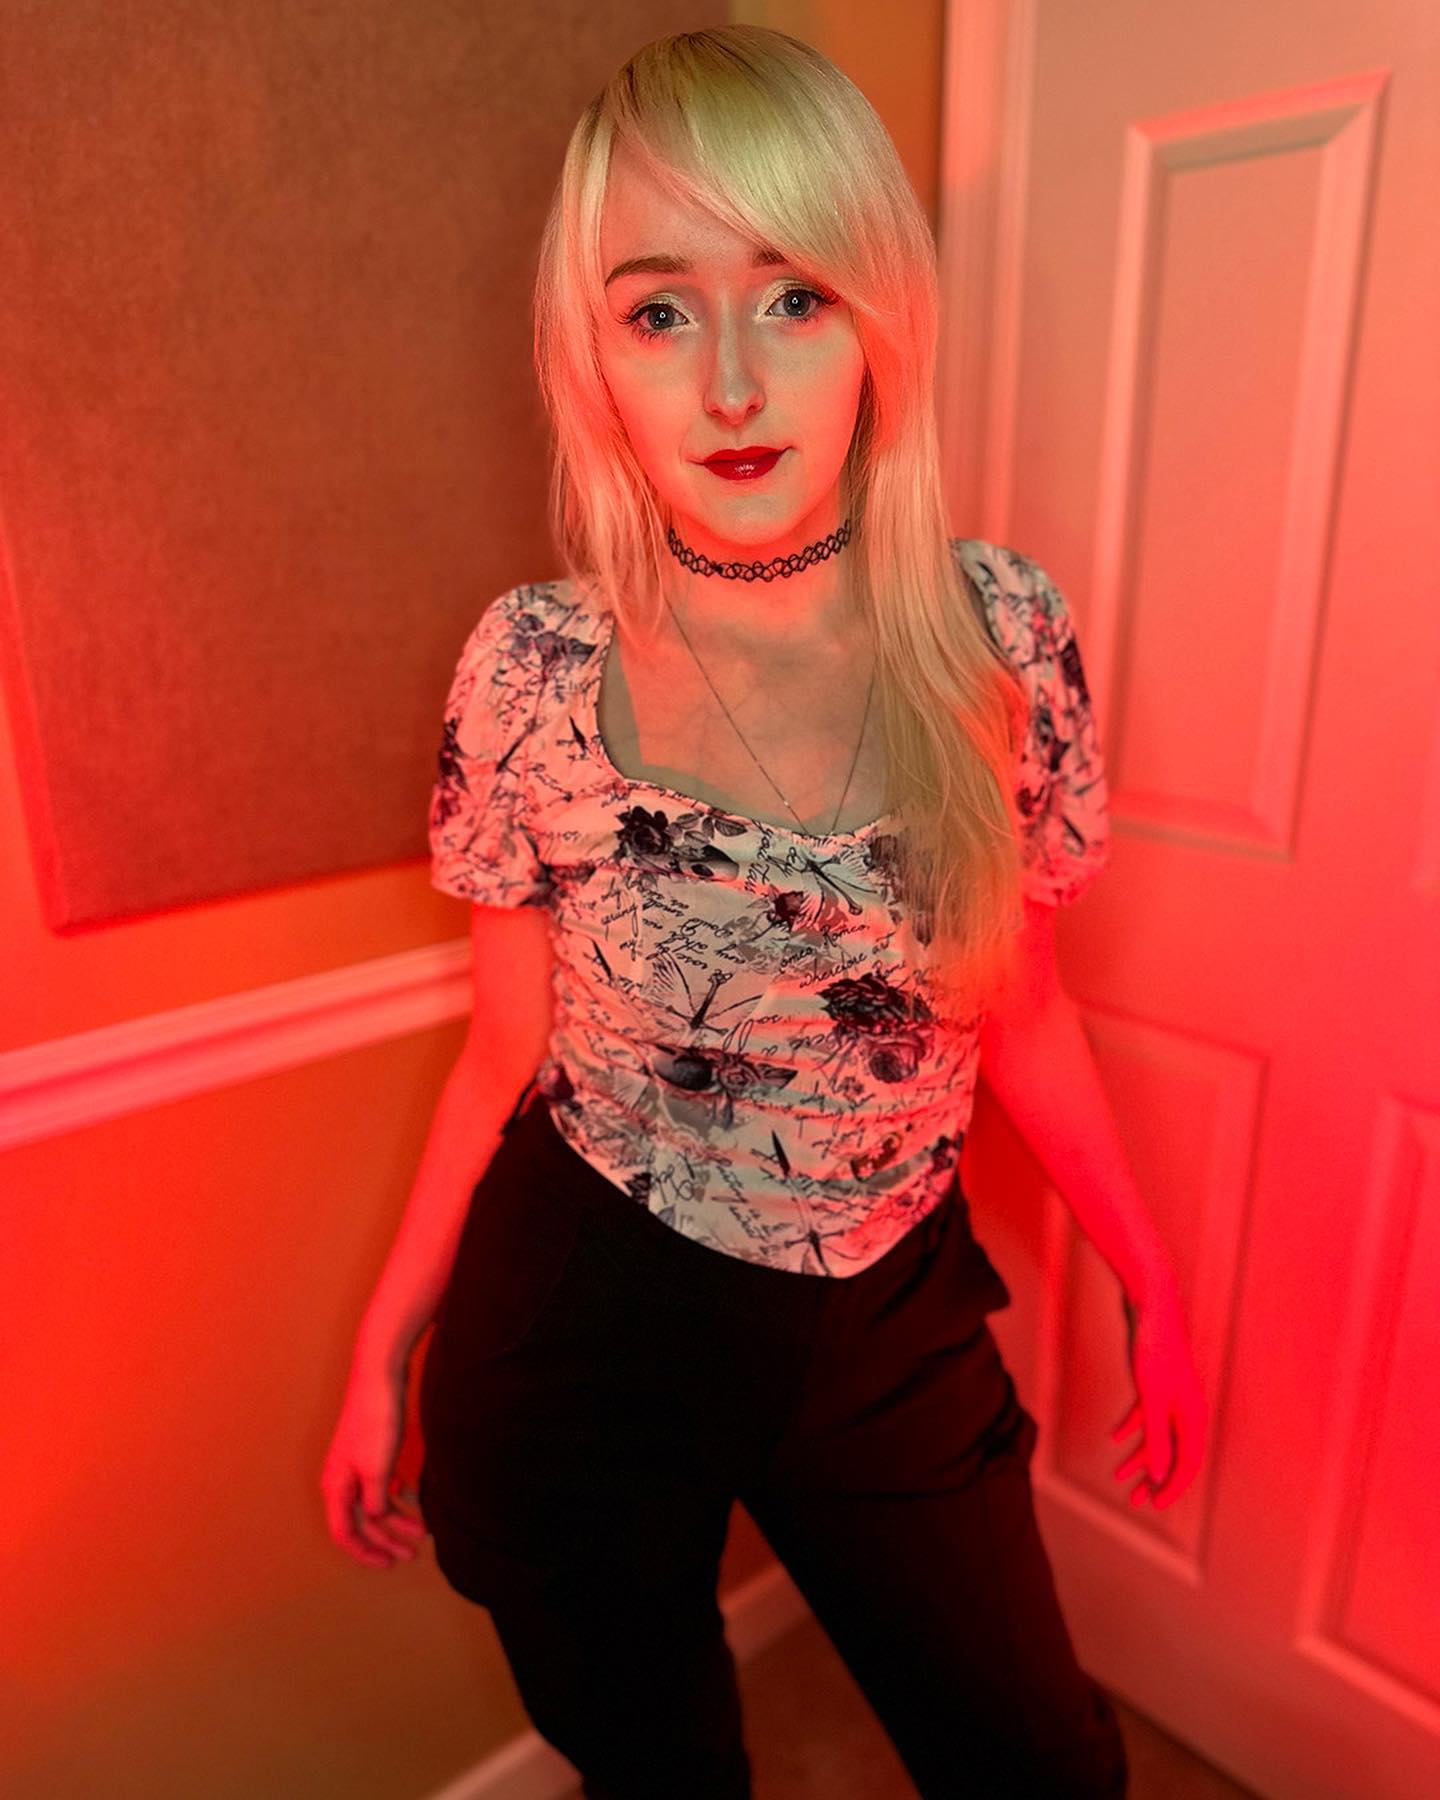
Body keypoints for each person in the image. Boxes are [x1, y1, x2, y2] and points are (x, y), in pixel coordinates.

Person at [323, 24, 1206, 1798]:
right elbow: (504, 1049)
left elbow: (1025, 1010)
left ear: (880, 315)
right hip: (589, 1305)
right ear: (593, 357)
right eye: (660, 312)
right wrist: (381, 1342)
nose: (733, 383)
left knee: (1043, 1762)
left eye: (793, 296)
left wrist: (1153, 1272)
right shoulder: (527, 664)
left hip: (889, 1316)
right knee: (657, 1765)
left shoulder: (1001, 637)